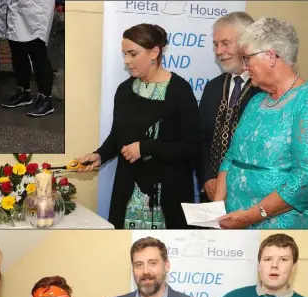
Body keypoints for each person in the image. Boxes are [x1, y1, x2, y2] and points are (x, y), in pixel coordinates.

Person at [77, 24, 201, 229]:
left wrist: (146, 148)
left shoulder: (180, 91)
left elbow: (191, 147)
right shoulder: (125, 90)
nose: (127, 61)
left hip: (167, 200)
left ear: (154, 52)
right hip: (127, 196)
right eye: (125, 54)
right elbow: (118, 135)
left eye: (133, 54)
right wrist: (99, 156)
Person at [214, 17, 308, 228]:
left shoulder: (304, 102)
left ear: (271, 57)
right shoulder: (256, 100)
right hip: (232, 222)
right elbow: (231, 157)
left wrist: (250, 217)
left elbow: (305, 179)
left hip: (278, 225)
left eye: (247, 58)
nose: (245, 67)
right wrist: (217, 210)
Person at [197, 11, 260, 202]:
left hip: (250, 197)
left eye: (225, 43)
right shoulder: (212, 87)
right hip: (210, 194)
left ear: (247, 43)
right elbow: (200, 139)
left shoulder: (264, 90)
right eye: (216, 44)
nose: (219, 51)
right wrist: (207, 178)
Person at [0, 0, 56, 117]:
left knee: (36, 48)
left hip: (36, 6)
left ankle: (45, 98)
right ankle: (23, 91)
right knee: (17, 47)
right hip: (14, 6)